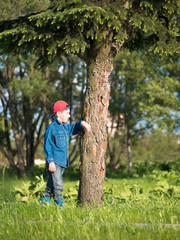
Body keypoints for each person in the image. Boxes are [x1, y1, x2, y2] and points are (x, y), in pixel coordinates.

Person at [39, 100, 91, 206]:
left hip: (63, 162)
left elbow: (73, 128)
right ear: (59, 113)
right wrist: (50, 162)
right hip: (55, 162)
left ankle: (44, 200)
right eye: (67, 113)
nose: (69, 115)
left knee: (52, 183)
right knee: (58, 185)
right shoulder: (51, 128)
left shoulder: (64, 127)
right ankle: (59, 204)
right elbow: (47, 146)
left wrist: (82, 123)